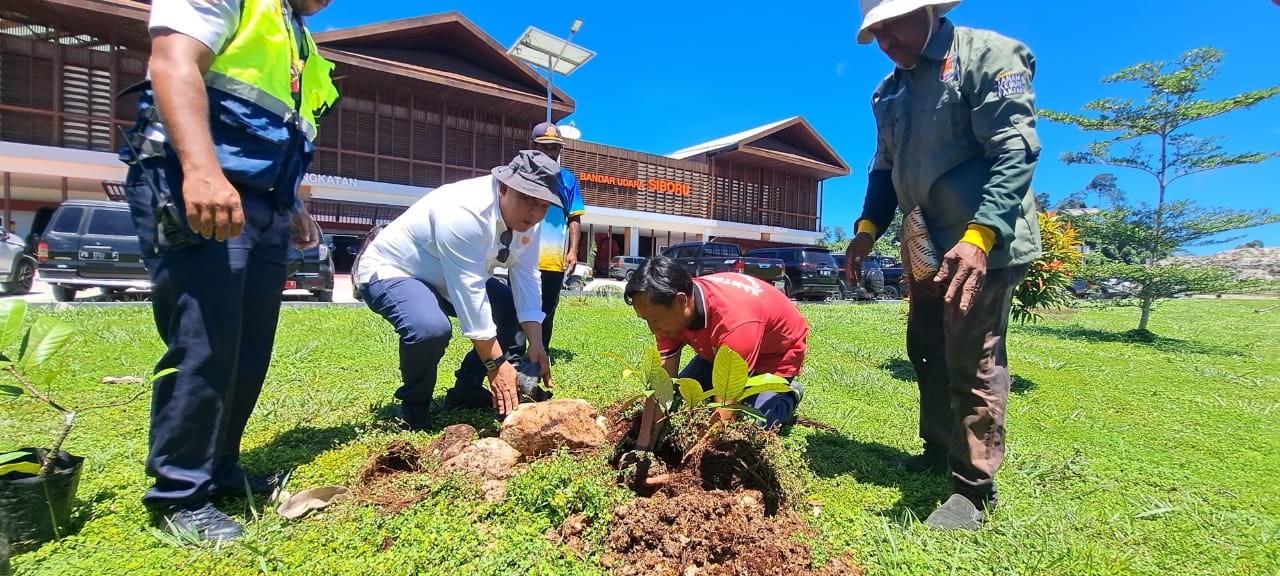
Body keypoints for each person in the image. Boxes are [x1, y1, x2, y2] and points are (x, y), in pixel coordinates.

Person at [116, 0, 339, 542]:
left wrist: (291, 204)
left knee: (247, 344)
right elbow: (173, 60)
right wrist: (200, 169)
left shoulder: (297, 34)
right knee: (205, 341)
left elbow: (280, 129)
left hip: (262, 204)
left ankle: (218, 468)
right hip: (200, 187)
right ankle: (179, 495)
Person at [847, 0, 1043, 530]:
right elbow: (883, 169)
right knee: (927, 348)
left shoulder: (987, 56)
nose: (886, 42)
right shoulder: (888, 92)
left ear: (929, 10)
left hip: (984, 243)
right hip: (925, 244)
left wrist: (979, 236)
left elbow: (1015, 150)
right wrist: (867, 230)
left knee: (970, 358)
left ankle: (974, 490)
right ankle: (937, 450)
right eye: (876, 33)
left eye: (892, 26)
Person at [355, 150, 561, 430]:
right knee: (429, 328)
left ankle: (466, 389)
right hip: (396, 270)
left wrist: (536, 344)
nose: (534, 212)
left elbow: (526, 277)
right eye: (526, 199)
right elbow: (470, 294)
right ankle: (414, 406)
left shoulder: (529, 222)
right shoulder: (465, 212)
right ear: (503, 187)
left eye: (542, 205)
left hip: (450, 278)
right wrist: (496, 364)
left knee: (509, 308)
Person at [623, 256, 808, 451]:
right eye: (646, 320)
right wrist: (642, 449)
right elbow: (661, 386)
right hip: (720, 349)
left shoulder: (734, 322)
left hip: (775, 356)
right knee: (677, 402)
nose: (653, 329)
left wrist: (689, 465)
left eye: (654, 319)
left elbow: (725, 409)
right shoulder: (668, 311)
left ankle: (788, 396)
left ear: (681, 301)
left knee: (745, 428)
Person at [527, 122, 586, 349]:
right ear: (534, 147)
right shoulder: (521, 176)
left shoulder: (568, 180)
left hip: (553, 260)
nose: (550, 152)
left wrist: (572, 251)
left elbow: (574, 218)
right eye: (545, 147)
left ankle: (540, 350)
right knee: (518, 304)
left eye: (555, 147)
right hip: (523, 256)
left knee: (548, 308)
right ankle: (514, 351)